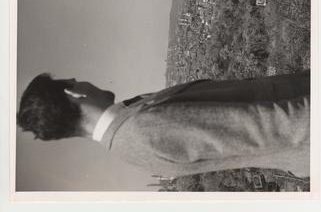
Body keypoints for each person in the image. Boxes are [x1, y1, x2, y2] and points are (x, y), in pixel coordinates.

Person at [17, 71, 310, 178]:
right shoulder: (140, 129)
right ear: (73, 92)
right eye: (74, 78)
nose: (82, 80)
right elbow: (272, 126)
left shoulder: (128, 138)